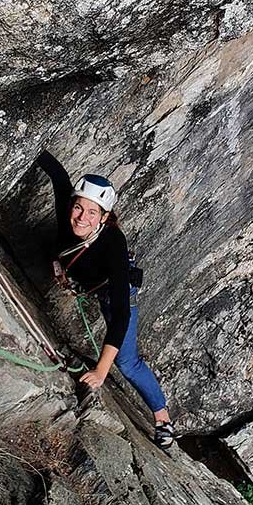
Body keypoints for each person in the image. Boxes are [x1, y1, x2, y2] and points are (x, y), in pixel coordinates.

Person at [36, 150, 174, 449]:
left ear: (104, 217)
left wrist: (101, 370)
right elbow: (57, 173)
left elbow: (122, 314)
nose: (81, 218)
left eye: (92, 213)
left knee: (126, 361)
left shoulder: (113, 243)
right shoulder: (69, 212)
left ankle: (162, 418)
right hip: (96, 287)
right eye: (78, 208)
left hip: (117, 294)